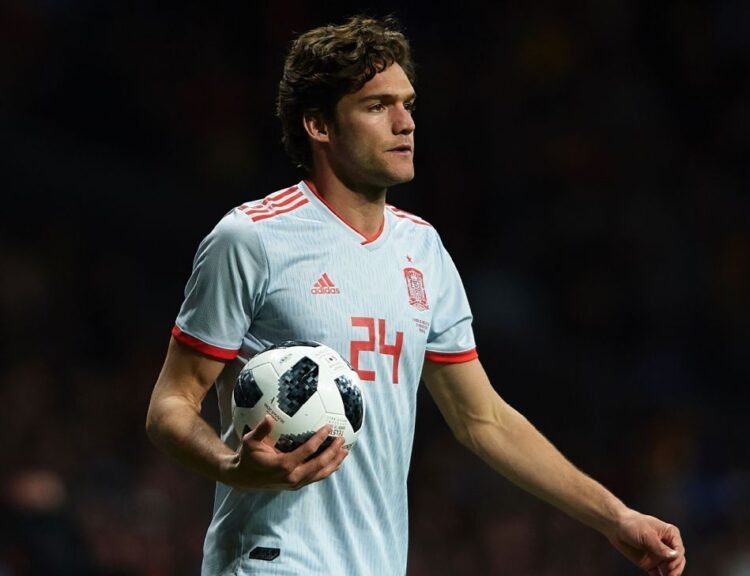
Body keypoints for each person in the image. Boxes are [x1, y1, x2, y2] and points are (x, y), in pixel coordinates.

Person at [146, 14, 685, 576]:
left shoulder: (422, 250)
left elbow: (484, 420)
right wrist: (232, 465)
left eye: (407, 104)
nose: (404, 123)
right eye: (377, 106)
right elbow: (170, 406)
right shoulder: (252, 238)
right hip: (269, 561)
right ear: (319, 124)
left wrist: (615, 517)